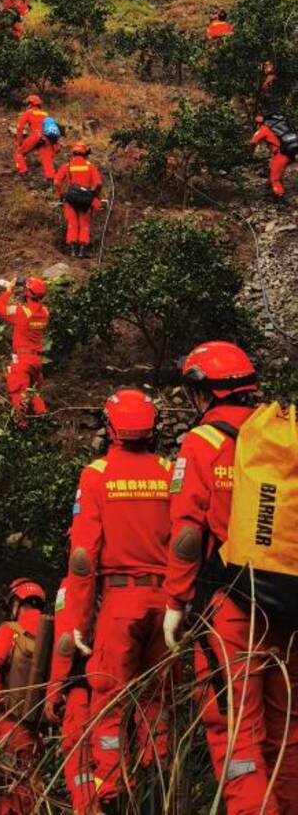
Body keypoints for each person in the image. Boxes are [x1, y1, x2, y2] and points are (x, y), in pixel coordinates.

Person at [163, 342, 298, 815]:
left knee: (235, 732)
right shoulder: (281, 436)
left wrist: (176, 602)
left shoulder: (202, 442)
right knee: (288, 736)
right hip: (288, 602)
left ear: (202, 391)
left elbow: (185, 535)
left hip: (233, 609)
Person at [55, 390, 173, 813]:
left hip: (121, 602)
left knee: (109, 698)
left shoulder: (97, 474)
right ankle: (158, 778)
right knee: (158, 698)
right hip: (166, 603)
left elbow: (84, 560)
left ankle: (110, 791)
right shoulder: (167, 470)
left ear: (110, 427)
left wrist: (77, 624)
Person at [0, 577, 47, 815]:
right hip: (34, 732)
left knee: (1, 787)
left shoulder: (10, 631)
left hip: (4, 726)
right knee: (26, 788)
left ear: (17, 603)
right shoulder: (52, 638)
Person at [45, 577, 92, 814]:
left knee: (79, 757)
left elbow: (65, 643)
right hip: (118, 685)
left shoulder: (71, 584)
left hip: (81, 688)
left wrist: (54, 692)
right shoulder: (119, 576)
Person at [0, 277, 49, 419]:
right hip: (37, 360)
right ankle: (43, 421)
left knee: (18, 396)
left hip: (23, 360)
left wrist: (8, 291)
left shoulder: (22, 312)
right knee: (34, 394)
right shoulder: (45, 313)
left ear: (27, 292)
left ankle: (21, 428)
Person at [54, 143, 103, 257]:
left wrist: (61, 194)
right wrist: (94, 195)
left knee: (72, 223)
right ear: (85, 153)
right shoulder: (90, 166)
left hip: (70, 198)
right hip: (86, 200)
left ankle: (72, 251)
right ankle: (82, 251)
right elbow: (99, 183)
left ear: (73, 153)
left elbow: (56, 182)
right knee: (84, 224)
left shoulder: (67, 166)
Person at [251, 114, 297, 198]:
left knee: (274, 179)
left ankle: (280, 199)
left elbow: (253, 141)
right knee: (274, 170)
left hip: (281, 154)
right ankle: (270, 191)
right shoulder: (283, 127)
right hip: (291, 152)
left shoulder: (264, 128)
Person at [14, 95, 58, 182]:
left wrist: (19, 142)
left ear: (31, 104)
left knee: (18, 153)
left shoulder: (29, 112)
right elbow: (51, 128)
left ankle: (24, 174)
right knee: (47, 160)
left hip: (36, 135)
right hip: (47, 138)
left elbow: (19, 127)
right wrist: (55, 144)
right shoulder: (46, 114)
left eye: (27, 104)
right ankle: (50, 181)